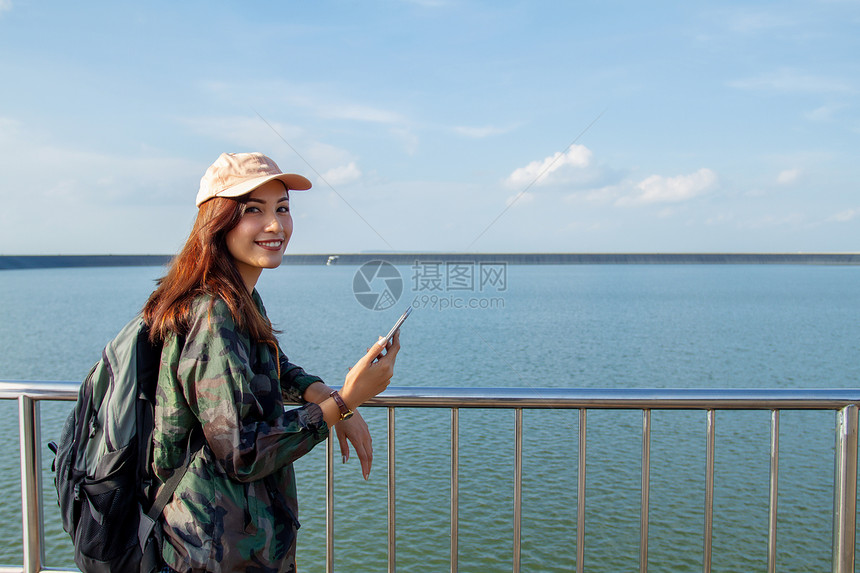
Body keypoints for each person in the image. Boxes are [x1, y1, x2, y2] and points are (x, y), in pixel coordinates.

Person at [142, 152, 400, 573]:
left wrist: (329, 395)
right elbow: (241, 452)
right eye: (254, 211)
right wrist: (345, 402)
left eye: (282, 209)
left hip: (244, 544)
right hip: (212, 552)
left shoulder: (240, 297)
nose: (276, 225)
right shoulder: (212, 313)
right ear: (219, 221)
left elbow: (271, 365)